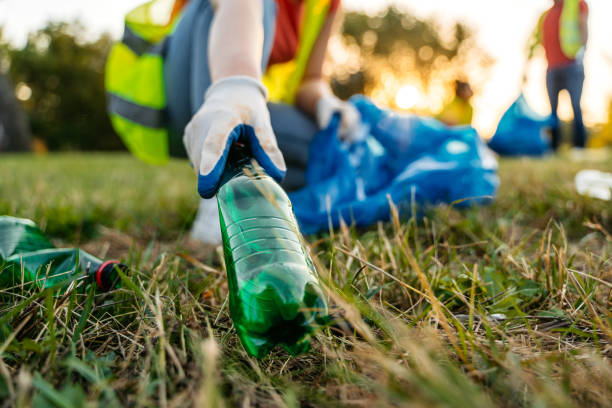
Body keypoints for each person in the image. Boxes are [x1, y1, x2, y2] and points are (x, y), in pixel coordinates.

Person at [106, 0, 360, 244]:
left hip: (248, 103)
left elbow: (311, 79)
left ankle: (254, 187)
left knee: (324, 150)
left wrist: (324, 102)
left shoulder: (327, 4)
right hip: (174, 96)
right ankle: (219, 199)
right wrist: (236, 83)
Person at [533, 0, 589, 150]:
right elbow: (539, 40)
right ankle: (554, 147)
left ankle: (579, 146)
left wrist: (582, 50)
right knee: (552, 109)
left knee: (575, 105)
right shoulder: (546, 15)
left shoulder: (577, 4)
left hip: (572, 64)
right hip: (551, 68)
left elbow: (583, 25)